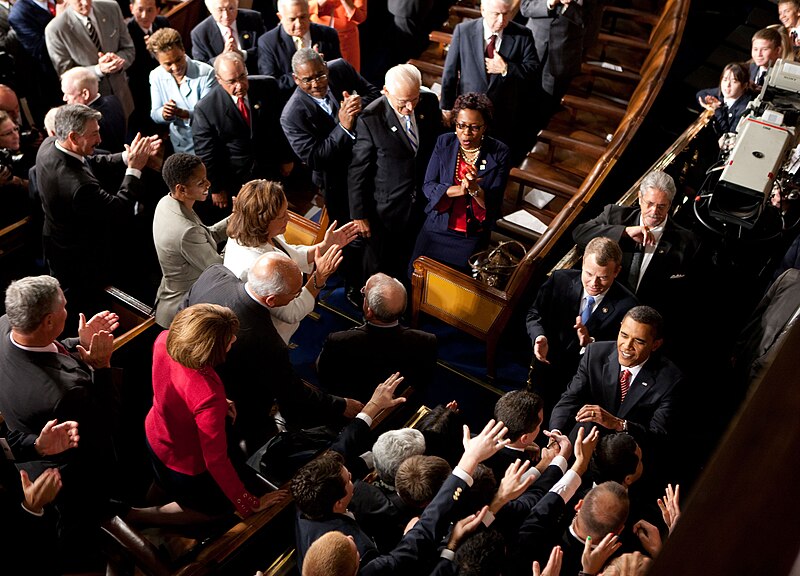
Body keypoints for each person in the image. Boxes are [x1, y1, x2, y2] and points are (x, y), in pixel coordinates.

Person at [0, 275, 124, 570]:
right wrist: (102, 365)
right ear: (47, 322)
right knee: (81, 541)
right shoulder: (66, 392)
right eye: (64, 307)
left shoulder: (5, 324)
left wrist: (75, 343)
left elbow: (45, 352)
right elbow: (107, 422)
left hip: (30, 457)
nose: (68, 309)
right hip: (71, 476)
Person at [183, 253, 363, 455]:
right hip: (239, 407)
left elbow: (182, 314)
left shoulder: (214, 273)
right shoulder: (266, 341)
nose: (297, 296)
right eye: (295, 294)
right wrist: (340, 405)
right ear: (271, 300)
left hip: (193, 385)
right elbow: (291, 390)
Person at [292, 418, 513, 574]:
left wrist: (372, 409)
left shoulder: (307, 500)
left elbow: (339, 449)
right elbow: (423, 533)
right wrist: (469, 461)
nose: (351, 538)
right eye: (349, 479)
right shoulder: (373, 566)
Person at [146, 303, 270, 519]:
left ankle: (144, 505)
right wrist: (247, 501)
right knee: (212, 511)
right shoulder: (208, 395)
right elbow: (216, 460)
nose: (234, 339)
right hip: (184, 461)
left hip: (155, 434)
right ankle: (142, 518)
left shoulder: (164, 339)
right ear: (209, 349)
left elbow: (177, 386)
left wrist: (219, 403)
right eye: (228, 338)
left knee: (160, 482)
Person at [35, 103, 160, 317]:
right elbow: (118, 209)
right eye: (94, 134)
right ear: (73, 137)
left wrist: (125, 157)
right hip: (80, 259)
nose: (99, 140)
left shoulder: (50, 144)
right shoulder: (78, 185)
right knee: (87, 304)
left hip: (59, 243)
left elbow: (90, 161)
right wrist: (135, 169)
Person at [281, 48, 381, 300]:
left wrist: (360, 105)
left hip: (372, 166)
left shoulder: (341, 68)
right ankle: (354, 285)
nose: (316, 84)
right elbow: (315, 158)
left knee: (377, 224)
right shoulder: (292, 115)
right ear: (296, 79)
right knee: (352, 236)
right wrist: (343, 126)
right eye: (308, 80)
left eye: (320, 75)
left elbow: (373, 93)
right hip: (337, 183)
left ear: (326, 67)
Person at [223, 178, 354, 342]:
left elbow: (291, 255)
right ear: (262, 220)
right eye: (282, 216)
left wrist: (325, 245)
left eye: (287, 211)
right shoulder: (254, 266)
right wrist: (319, 278)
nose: (288, 219)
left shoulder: (257, 233)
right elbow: (292, 312)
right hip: (272, 335)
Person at [348, 63, 444, 281]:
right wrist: (358, 215)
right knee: (378, 263)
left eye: (414, 99)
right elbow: (357, 172)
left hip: (421, 201)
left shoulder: (428, 103)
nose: (410, 108)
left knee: (408, 257)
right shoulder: (370, 119)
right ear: (386, 92)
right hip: (385, 208)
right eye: (403, 103)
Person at [549, 306, 684, 459]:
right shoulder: (595, 353)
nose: (627, 346)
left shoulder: (670, 379)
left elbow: (658, 436)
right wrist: (555, 434)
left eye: (638, 341)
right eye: (624, 335)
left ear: (655, 344)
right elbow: (569, 400)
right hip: (581, 445)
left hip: (624, 460)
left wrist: (619, 424)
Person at [570, 170, 700, 328]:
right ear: (640, 198)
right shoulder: (615, 215)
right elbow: (579, 233)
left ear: (670, 205)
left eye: (661, 206)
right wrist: (624, 232)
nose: (654, 212)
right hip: (599, 313)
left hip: (644, 324)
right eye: (650, 204)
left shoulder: (687, 241)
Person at [526, 236, 638, 417]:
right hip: (546, 365)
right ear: (583, 262)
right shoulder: (559, 280)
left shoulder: (628, 306)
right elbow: (534, 314)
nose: (594, 283)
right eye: (588, 274)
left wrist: (591, 344)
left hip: (582, 383)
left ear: (617, 271)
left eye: (602, 277)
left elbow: (621, 352)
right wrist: (539, 336)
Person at [409, 92, 511, 277]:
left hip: (470, 235)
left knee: (453, 289)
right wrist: (460, 190)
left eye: (474, 127)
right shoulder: (444, 142)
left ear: (484, 127)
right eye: (461, 125)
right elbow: (428, 186)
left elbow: (494, 201)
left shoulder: (499, 152)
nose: (466, 133)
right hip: (436, 228)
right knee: (416, 277)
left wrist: (474, 190)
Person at [192, 51, 293, 223]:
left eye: (242, 77)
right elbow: (206, 153)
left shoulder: (267, 86)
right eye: (231, 81)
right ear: (219, 80)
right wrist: (216, 187)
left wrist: (287, 158)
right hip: (236, 179)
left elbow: (281, 127)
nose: (239, 85)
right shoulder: (206, 108)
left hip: (271, 169)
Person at [440, 0, 540, 163]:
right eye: (496, 14)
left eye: (506, 14)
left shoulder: (522, 34)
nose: (501, 20)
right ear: (483, 10)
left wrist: (506, 68)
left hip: (502, 113)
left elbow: (534, 71)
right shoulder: (464, 31)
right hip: (468, 111)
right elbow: (450, 72)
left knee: (493, 160)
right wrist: (446, 106)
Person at [316, 272, 438, 401]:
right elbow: (424, 381)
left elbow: (324, 375)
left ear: (369, 311)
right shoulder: (427, 341)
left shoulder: (339, 341)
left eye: (364, 293)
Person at [152, 153, 228, 328]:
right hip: (183, 311)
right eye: (201, 183)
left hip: (171, 297)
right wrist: (240, 234)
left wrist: (236, 218)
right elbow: (220, 270)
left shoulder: (166, 202)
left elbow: (205, 236)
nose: (208, 184)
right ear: (181, 189)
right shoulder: (187, 231)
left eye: (206, 178)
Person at [44, 0, 136, 120]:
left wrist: (116, 62)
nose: (85, 3)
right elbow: (66, 73)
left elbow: (129, 48)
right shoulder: (55, 29)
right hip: (93, 111)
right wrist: (99, 70)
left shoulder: (111, 8)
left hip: (124, 99)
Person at [521, 0, 593, 130]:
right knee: (520, 99)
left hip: (563, 54)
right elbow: (525, 8)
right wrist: (550, 2)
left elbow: (589, 20)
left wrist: (570, 6)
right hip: (533, 46)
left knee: (546, 107)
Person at [147, 28, 218, 154]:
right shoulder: (156, 75)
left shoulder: (206, 73)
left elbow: (210, 115)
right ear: (158, 61)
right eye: (168, 64)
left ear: (183, 50)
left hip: (208, 142)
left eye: (178, 59)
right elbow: (155, 114)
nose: (175, 67)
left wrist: (184, 113)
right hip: (179, 144)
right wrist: (164, 114)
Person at [257, 0, 342, 102]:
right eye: (292, 19)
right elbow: (271, 84)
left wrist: (322, 66)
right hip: (291, 103)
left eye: (303, 17)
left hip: (328, 99)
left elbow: (339, 72)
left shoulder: (327, 34)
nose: (298, 24)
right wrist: (304, 70)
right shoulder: (268, 42)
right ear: (280, 17)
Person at [126, 0, 170, 136]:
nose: (144, 15)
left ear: (158, 10)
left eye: (150, 10)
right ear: (131, 8)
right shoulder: (126, 30)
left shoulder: (162, 23)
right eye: (140, 10)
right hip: (138, 85)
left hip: (163, 79)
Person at [60, 66, 126, 152]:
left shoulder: (88, 121)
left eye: (68, 94)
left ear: (85, 94)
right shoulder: (113, 100)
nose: (64, 98)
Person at [190, 0, 266, 74]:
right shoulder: (200, 34)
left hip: (255, 75)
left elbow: (266, 50)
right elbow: (201, 68)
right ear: (210, 9)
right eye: (220, 10)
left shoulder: (253, 19)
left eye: (231, 8)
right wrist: (223, 58)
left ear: (237, 4)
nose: (226, 15)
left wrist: (243, 54)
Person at [696, 62, 754, 137]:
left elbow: (727, 134)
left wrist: (717, 109)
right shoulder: (724, 92)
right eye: (725, 79)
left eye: (734, 81)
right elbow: (701, 93)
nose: (727, 85)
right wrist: (708, 101)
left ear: (744, 85)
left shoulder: (744, 108)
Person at [309, 0, 366, 71]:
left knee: (349, 76)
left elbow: (360, 17)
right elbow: (302, 9)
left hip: (347, 39)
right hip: (319, 36)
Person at [0, 109, 33, 226]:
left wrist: (16, 181)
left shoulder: (25, 154)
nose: (16, 135)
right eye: (8, 133)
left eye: (16, 129)